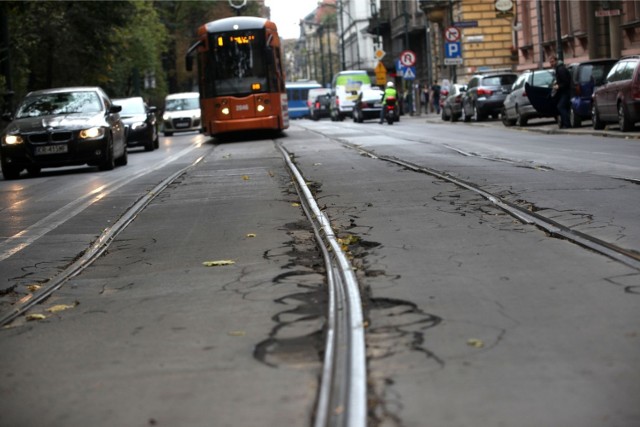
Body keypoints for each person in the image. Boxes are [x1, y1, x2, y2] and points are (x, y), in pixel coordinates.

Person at [550, 55, 572, 129]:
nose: (551, 63)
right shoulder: (558, 68)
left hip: (566, 91)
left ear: (556, 61)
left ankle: (567, 124)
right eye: (550, 62)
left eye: (552, 61)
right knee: (563, 107)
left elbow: (566, 82)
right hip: (563, 92)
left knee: (561, 106)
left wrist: (558, 86)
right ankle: (563, 123)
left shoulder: (560, 69)